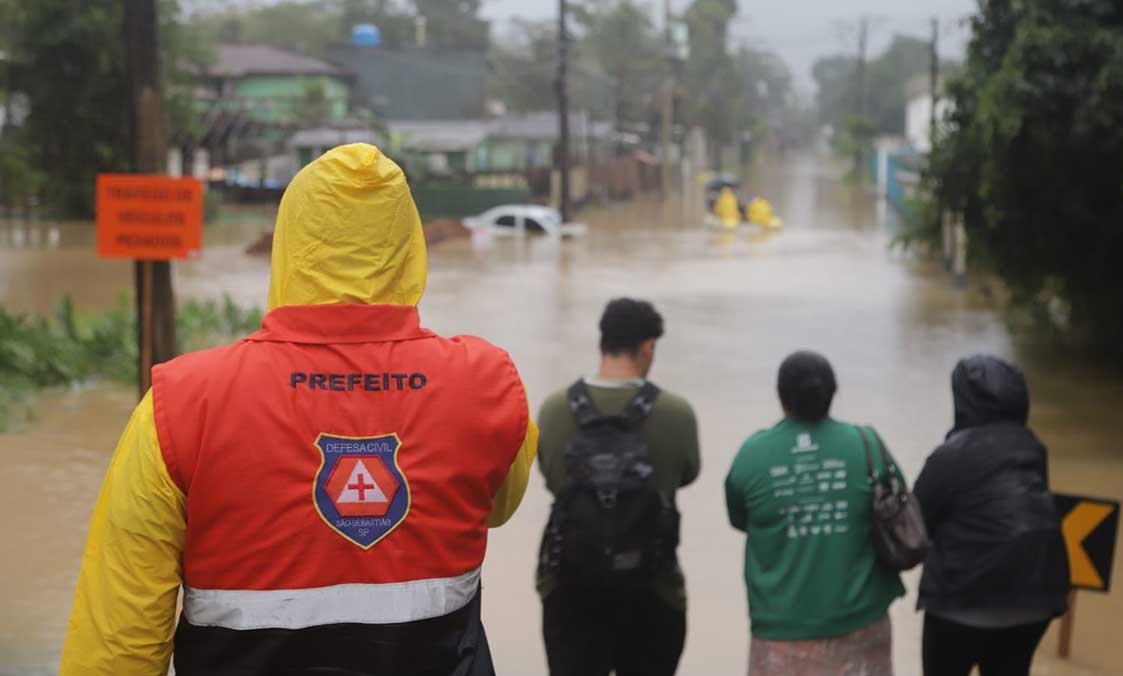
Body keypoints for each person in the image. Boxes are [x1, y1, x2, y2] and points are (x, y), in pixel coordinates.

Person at [59, 144, 539, 676]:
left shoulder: (181, 405)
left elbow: (117, 639)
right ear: (409, 248)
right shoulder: (486, 385)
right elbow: (498, 506)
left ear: (289, 244)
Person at [535, 297, 700, 676]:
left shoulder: (554, 409)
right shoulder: (677, 413)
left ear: (601, 343)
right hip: (653, 591)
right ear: (648, 347)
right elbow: (686, 474)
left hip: (570, 589)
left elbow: (551, 478)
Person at [725, 351, 905, 676]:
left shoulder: (752, 455)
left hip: (781, 632)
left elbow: (740, 520)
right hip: (861, 624)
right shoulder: (868, 445)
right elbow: (899, 507)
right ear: (832, 393)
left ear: (781, 396)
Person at [914, 354, 1069, 676]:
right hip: (1036, 600)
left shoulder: (949, 456)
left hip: (960, 606)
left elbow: (915, 525)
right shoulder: (1032, 447)